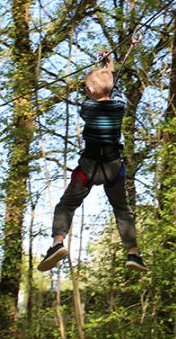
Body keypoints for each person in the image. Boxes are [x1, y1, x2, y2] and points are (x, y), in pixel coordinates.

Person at [38, 52, 147, 272]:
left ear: (88, 92)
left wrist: (104, 70)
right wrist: (110, 67)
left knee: (66, 205)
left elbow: (100, 91)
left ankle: (58, 243)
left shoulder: (87, 108)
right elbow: (110, 89)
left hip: (88, 168)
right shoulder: (119, 108)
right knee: (122, 210)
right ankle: (133, 253)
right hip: (114, 168)